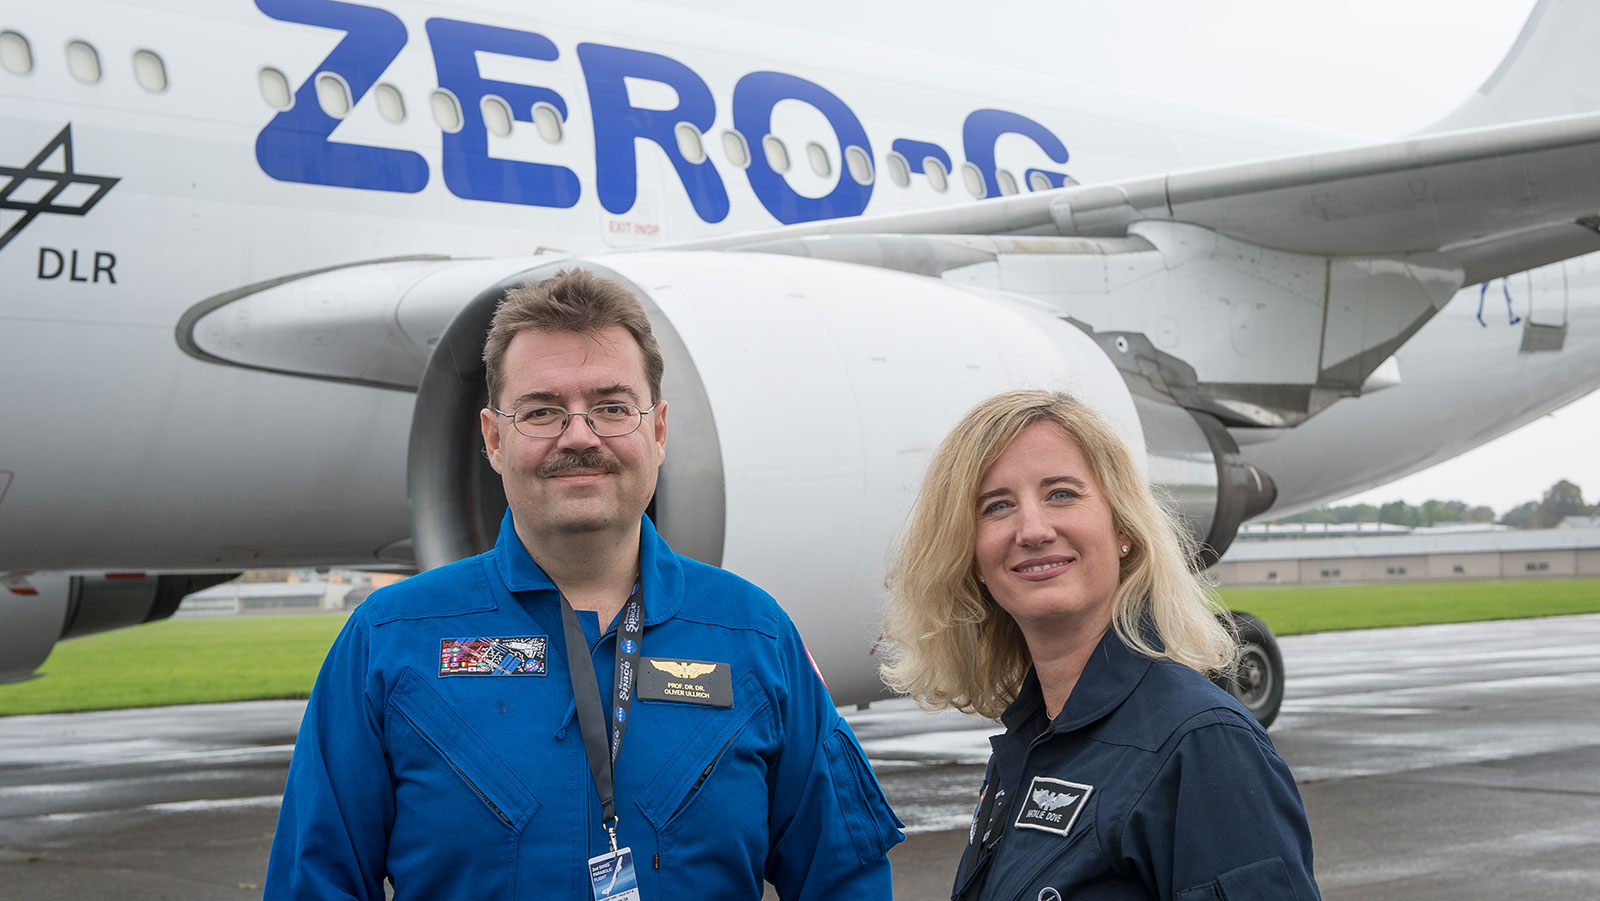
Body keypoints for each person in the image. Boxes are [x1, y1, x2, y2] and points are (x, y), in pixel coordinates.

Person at [266, 268, 903, 900]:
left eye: (611, 408)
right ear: (493, 439)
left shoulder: (754, 636)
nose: (578, 435)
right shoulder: (387, 640)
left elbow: (844, 876)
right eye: (542, 411)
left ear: (657, 433)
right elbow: (313, 883)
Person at [879, 389, 1319, 900]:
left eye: (1061, 493)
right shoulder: (1035, 738)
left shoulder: (1202, 744)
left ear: (1123, 527)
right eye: (997, 506)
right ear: (972, 558)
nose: (1033, 529)